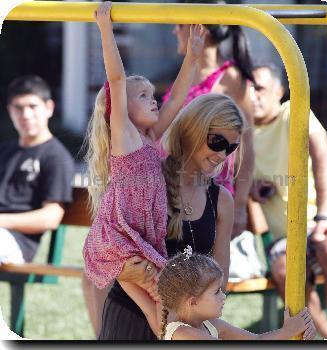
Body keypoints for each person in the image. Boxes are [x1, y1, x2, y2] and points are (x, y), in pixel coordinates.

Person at [82, 1, 206, 335]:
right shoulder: (126, 138)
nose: (154, 100)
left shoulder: (149, 138)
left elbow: (177, 99)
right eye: (143, 95)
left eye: (153, 94)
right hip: (121, 242)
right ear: (120, 107)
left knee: (159, 311)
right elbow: (117, 79)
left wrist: (192, 59)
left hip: (135, 242)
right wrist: (106, 29)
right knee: (165, 299)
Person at [98, 91, 246, 340]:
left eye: (230, 148)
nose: (222, 155)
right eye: (217, 142)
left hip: (183, 331)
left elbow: (219, 280)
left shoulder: (221, 200)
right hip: (133, 316)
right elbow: (112, 252)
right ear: (193, 131)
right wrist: (153, 315)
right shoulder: (147, 179)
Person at [249, 62, 327, 339]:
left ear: (278, 91)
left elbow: (320, 146)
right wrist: (251, 188)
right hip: (287, 236)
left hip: (324, 220)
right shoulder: (243, 131)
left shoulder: (291, 112)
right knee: (284, 269)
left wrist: (324, 217)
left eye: (259, 87)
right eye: (248, 87)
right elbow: (235, 182)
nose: (253, 94)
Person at [163, 0, 255, 237]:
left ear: (198, 28)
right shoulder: (185, 74)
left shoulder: (230, 79)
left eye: (179, 25)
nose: (174, 31)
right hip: (172, 184)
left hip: (208, 188)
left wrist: (241, 206)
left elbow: (247, 146)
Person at [131, 251, 316, 340]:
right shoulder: (183, 334)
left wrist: (287, 331)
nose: (223, 296)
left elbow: (256, 341)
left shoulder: (211, 325)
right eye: (216, 292)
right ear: (193, 302)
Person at [0, 75, 74, 266]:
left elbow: (51, 217)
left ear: (49, 108)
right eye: (18, 108)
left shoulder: (56, 157)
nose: (25, 115)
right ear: (10, 111)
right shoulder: (5, 151)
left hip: (15, 243)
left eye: (32, 106)